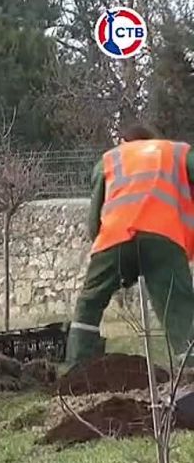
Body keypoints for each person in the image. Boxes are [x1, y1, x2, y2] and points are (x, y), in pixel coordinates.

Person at [66, 124, 194, 365]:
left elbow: (94, 221)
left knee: (90, 302)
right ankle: (190, 369)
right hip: (163, 237)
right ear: (155, 139)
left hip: (115, 237)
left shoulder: (109, 159)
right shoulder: (175, 152)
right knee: (180, 306)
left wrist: (109, 258)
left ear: (123, 141)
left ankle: (77, 367)